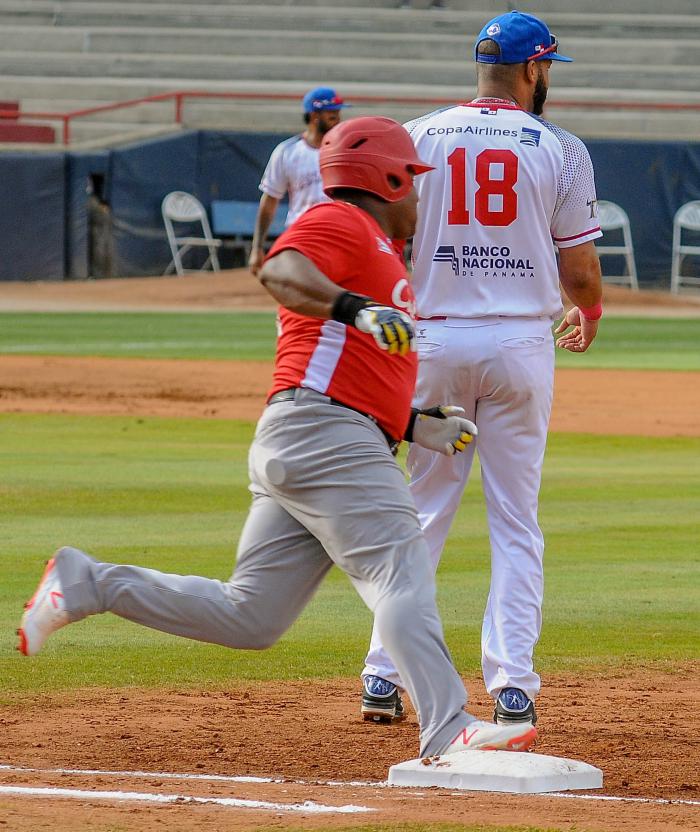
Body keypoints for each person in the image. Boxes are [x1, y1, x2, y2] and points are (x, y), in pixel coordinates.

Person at [18, 116, 538, 762]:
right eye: (415, 183)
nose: (420, 197)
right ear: (390, 177)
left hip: (308, 436)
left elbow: (348, 366)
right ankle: (448, 723)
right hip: (326, 436)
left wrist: (415, 426)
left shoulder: (372, 247)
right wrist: (354, 307)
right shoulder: (341, 223)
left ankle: (87, 581)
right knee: (401, 570)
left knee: (252, 615)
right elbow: (278, 268)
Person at [360, 11, 603, 727]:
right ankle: (513, 688)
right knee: (515, 522)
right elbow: (581, 270)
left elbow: (383, 242)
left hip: (433, 340)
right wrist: (587, 313)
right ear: (534, 69)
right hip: (518, 344)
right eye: (549, 68)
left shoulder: (421, 132)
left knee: (420, 515)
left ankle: (383, 675)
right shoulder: (559, 147)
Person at [248, 86, 348, 276]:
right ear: (314, 116)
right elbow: (270, 201)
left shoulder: (346, 150)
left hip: (338, 234)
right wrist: (257, 247)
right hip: (303, 235)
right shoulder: (288, 151)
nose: (338, 120)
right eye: (332, 115)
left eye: (338, 114)